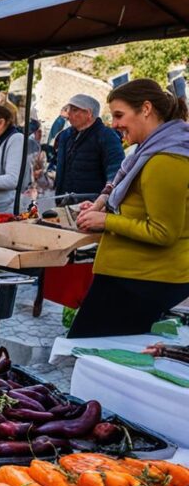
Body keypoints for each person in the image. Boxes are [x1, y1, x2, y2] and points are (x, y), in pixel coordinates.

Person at [69, 79, 189, 338]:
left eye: (119, 115)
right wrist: (103, 202)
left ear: (145, 109)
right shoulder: (152, 150)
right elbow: (123, 186)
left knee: (90, 352)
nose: (114, 124)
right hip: (135, 276)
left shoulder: (165, 160)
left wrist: (106, 221)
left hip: (143, 279)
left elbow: (163, 232)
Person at [53, 94, 125, 197]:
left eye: (74, 110)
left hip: (91, 204)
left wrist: (108, 190)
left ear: (89, 113)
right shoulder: (65, 135)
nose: (68, 113)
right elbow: (60, 167)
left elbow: (115, 166)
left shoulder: (107, 136)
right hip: (64, 199)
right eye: (69, 109)